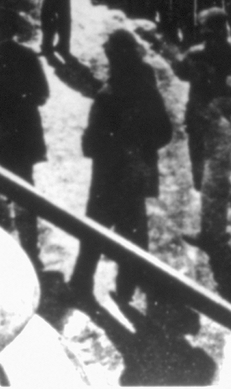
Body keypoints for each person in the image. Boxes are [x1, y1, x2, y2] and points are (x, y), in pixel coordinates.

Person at [69, 29, 173, 307]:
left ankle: (81, 283)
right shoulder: (147, 89)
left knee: (94, 231)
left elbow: (92, 143)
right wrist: (141, 148)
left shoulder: (108, 95)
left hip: (108, 176)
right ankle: (126, 290)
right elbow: (164, 132)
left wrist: (100, 143)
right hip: (135, 175)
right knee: (132, 233)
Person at [0, 8, 49, 265]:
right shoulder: (29, 58)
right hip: (24, 136)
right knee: (25, 194)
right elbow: (42, 94)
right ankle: (30, 251)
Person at [173, 8, 231, 200]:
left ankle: (201, 190)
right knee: (222, 155)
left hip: (199, 110)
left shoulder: (195, 53)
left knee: (198, 153)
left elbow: (181, 73)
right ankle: (219, 194)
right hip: (224, 112)